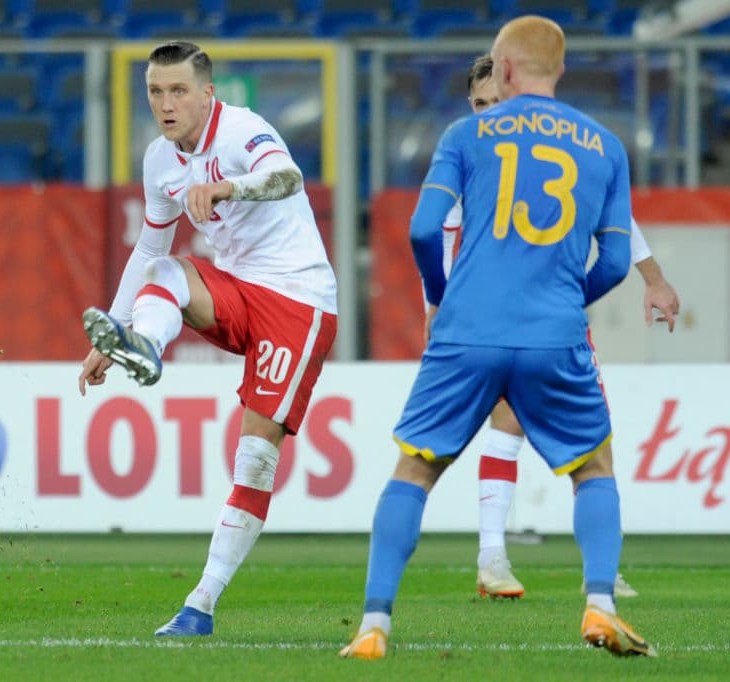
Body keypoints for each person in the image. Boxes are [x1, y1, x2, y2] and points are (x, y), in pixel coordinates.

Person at [340, 16, 656, 660]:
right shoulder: (606, 147)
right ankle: (600, 604)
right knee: (593, 468)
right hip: (554, 335)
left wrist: (446, 295)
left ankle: (374, 624)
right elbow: (619, 263)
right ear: (558, 70)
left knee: (415, 469)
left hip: (468, 331)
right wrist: (568, 300)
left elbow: (427, 231)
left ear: (503, 70)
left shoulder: (466, 134)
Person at [77, 41, 337, 637]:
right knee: (162, 269)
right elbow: (149, 245)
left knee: (255, 460)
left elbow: (286, 176)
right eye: (155, 92)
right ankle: (142, 344)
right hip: (238, 291)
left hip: (299, 300)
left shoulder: (243, 130)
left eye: (178, 91)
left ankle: (200, 604)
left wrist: (229, 189)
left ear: (207, 93)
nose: (166, 105)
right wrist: (112, 333)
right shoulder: (160, 161)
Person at [441, 54, 681, 600]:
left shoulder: (552, 153)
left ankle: (567, 563)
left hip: (549, 310)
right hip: (502, 313)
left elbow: (614, 217)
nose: (486, 113)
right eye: (477, 105)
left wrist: (655, 279)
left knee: (571, 436)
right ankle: (499, 557)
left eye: (494, 102)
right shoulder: (464, 156)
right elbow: (445, 234)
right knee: (515, 423)